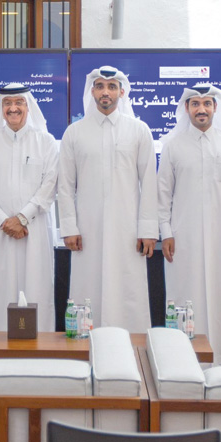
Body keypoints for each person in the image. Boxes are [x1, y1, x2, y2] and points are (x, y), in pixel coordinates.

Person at [57, 66, 158, 332]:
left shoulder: (139, 130)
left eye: (112, 87)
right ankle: (85, 346)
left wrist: (148, 230)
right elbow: (65, 185)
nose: (106, 92)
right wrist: (69, 227)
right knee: (87, 286)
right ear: (92, 91)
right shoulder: (74, 133)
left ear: (122, 92)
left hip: (128, 229)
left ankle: (131, 347)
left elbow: (149, 183)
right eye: (100, 86)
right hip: (87, 230)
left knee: (128, 288)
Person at [158, 84, 221, 364]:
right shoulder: (173, 146)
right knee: (185, 294)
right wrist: (166, 233)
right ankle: (183, 359)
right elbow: (163, 193)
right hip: (183, 238)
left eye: (207, 104)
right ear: (186, 108)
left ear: (215, 108)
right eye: (195, 104)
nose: (201, 109)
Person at [0, 83, 58, 332]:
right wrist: (3, 220)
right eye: (7, 103)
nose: (13, 108)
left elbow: (50, 184)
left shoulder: (46, 142)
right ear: (0, 109)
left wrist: (22, 218)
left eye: (19, 102)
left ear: (28, 106)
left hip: (34, 231)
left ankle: (40, 348)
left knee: (37, 290)